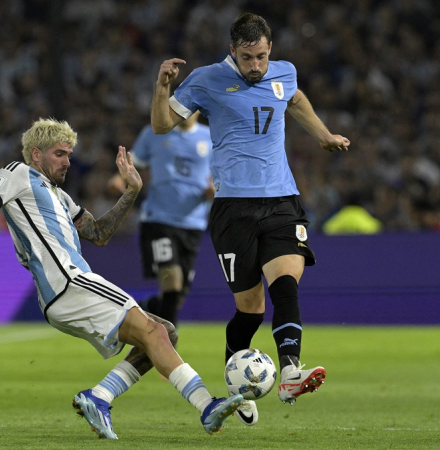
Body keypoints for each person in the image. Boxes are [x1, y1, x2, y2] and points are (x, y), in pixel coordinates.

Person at [0, 118, 243, 439]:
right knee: (155, 331)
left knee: (164, 331)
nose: (68, 161)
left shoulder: (61, 197)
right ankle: (206, 405)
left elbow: (98, 234)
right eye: (59, 154)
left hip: (63, 293)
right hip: (68, 281)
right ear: (37, 154)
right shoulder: (18, 173)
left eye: (69, 154)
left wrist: (131, 191)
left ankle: (99, 397)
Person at [151, 12, 350, 422]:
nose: (255, 66)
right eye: (247, 58)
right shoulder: (206, 79)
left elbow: (294, 99)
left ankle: (291, 370)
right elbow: (161, 125)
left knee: (286, 282)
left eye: (260, 56)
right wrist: (162, 86)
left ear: (270, 49)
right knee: (251, 309)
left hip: (282, 200)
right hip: (233, 210)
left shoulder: (284, 73)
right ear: (232, 52)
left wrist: (324, 135)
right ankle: (237, 389)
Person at [108, 111, 214, 332]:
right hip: (159, 221)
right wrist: (119, 179)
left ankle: (143, 308)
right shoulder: (154, 132)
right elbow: (134, 161)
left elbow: (218, 174)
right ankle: (167, 347)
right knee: (172, 280)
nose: (185, 112)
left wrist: (214, 189)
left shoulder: (210, 136)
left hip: (193, 223)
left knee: (176, 296)